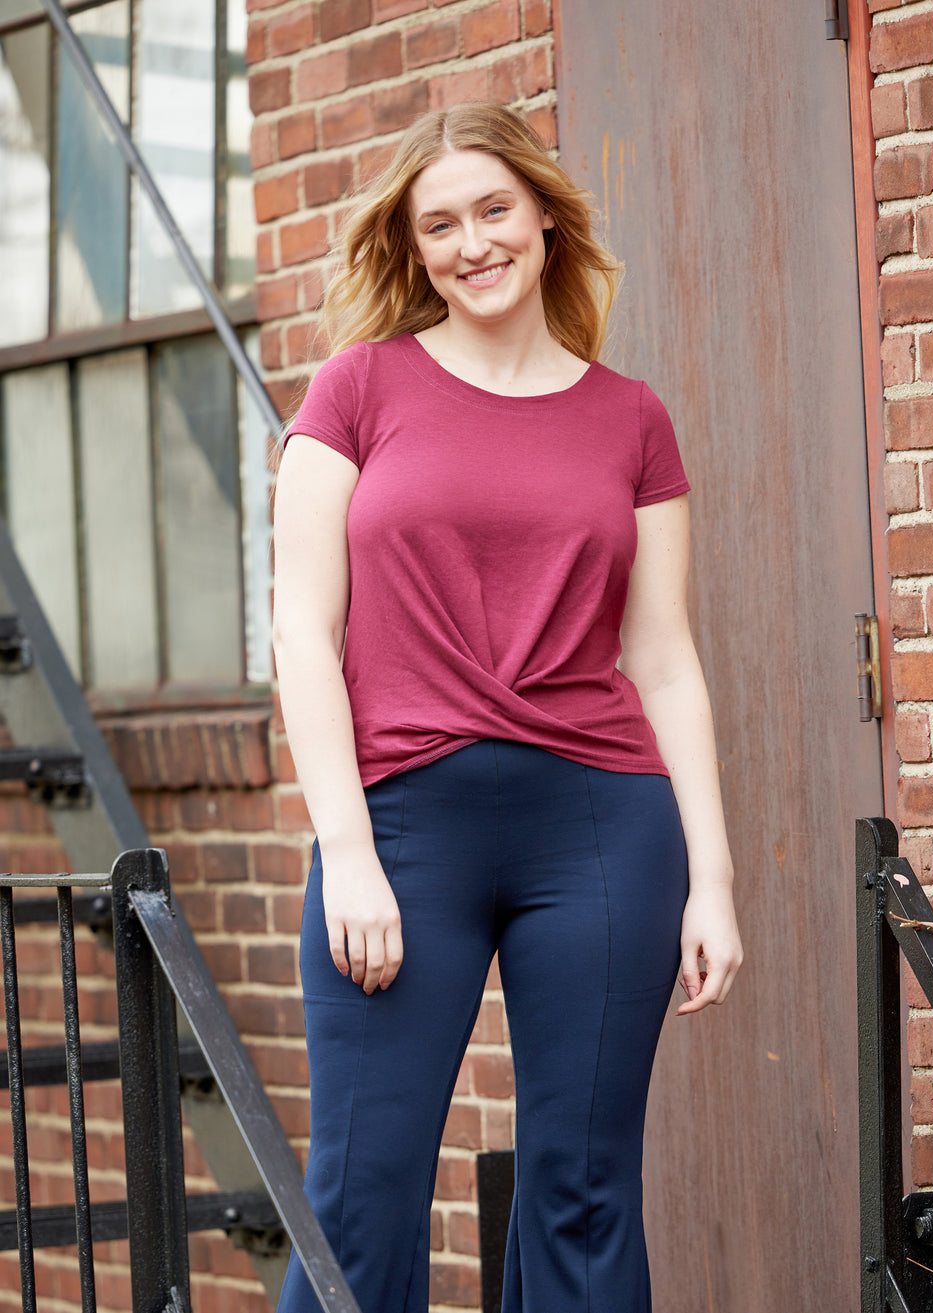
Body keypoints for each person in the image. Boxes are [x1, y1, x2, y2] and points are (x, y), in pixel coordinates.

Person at [271, 101, 741, 1313]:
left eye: (494, 210)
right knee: (360, 1194)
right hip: (400, 828)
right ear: (413, 247)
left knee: (584, 1190)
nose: (473, 243)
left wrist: (712, 878)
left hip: (600, 828)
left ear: (544, 217)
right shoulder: (357, 389)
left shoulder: (631, 417)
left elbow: (664, 657)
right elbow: (302, 632)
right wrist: (347, 850)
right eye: (441, 225)